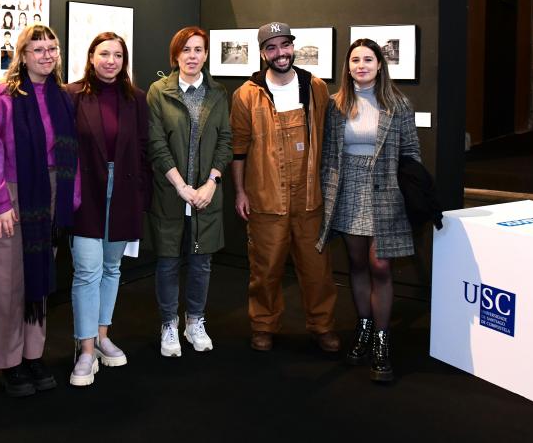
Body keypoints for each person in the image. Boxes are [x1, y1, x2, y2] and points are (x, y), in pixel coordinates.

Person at [0, 23, 79, 397]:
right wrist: (0, 203)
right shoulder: (5, 98)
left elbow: (71, 154)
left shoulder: (62, 98)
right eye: (38, 49)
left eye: (52, 48)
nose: (47, 55)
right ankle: (9, 362)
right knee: (7, 284)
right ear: (23, 55)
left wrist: (71, 198)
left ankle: (33, 355)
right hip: (6, 196)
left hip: (46, 195)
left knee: (39, 275)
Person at [230, 22, 339, 353]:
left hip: (308, 196)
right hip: (266, 196)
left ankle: (322, 326)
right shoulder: (247, 94)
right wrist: (240, 191)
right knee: (265, 269)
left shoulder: (315, 87)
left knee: (317, 270)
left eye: (285, 45)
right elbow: (238, 148)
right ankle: (263, 325)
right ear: (263, 53)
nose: (280, 53)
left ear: (294, 47)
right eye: (272, 48)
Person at [317, 39, 421, 382]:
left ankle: (381, 340)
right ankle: (362, 330)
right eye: (355, 60)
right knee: (358, 264)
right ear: (348, 67)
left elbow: (412, 155)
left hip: (387, 193)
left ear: (380, 65)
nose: (361, 65)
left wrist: (410, 195)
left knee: (381, 266)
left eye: (368, 59)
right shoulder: (335, 105)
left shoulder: (398, 104)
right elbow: (329, 156)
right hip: (348, 191)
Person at [64, 32, 149, 386]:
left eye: (117, 54)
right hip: (87, 192)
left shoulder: (137, 99)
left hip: (125, 191)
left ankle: (102, 337)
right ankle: (84, 350)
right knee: (87, 269)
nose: (111, 60)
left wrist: (141, 194)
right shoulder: (71, 95)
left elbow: (143, 148)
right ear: (91, 57)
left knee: (112, 268)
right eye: (104, 54)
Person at [146, 27, 231, 357]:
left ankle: (194, 321)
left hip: (207, 194)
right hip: (170, 192)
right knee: (167, 262)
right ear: (175, 55)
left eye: (198, 49)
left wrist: (211, 183)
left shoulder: (218, 93)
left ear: (206, 55)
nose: (192, 56)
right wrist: (181, 186)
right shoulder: (158, 92)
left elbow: (226, 141)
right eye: (186, 50)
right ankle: (169, 324)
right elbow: (156, 144)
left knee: (201, 263)